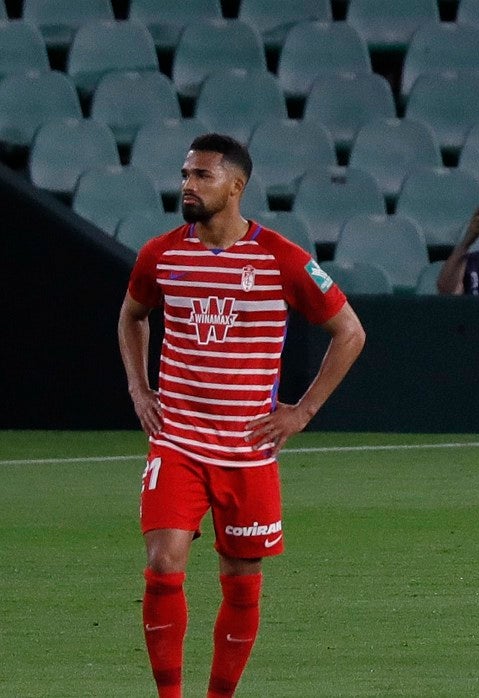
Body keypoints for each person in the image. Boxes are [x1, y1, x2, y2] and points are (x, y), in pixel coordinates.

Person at [118, 133, 366, 698]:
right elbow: (132, 316)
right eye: (185, 173)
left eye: (201, 175)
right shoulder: (160, 254)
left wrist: (302, 412)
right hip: (177, 441)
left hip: (247, 448)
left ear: (236, 186)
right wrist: (139, 389)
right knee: (164, 561)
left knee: (241, 580)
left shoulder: (281, 258)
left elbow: (350, 332)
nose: (187, 184)